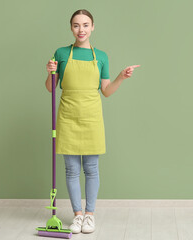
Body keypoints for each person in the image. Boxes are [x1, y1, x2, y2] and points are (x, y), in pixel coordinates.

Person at [45, 9, 140, 234]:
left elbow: (105, 91)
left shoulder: (102, 57)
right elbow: (51, 89)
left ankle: (90, 216)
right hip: (68, 115)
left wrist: (121, 77)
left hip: (92, 116)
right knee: (71, 170)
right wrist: (48, 72)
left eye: (86, 25)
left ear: (93, 27)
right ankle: (77, 216)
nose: (81, 30)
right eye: (77, 25)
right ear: (71, 28)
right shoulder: (60, 53)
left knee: (91, 168)